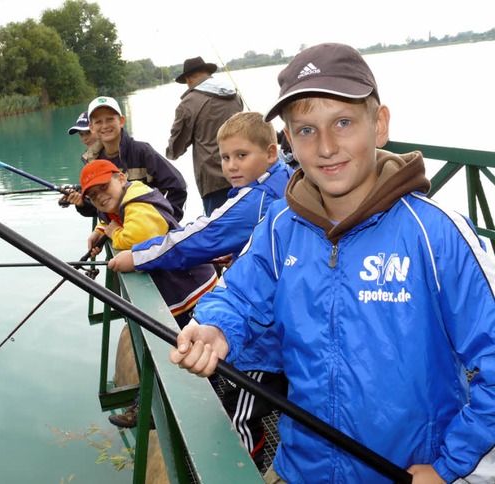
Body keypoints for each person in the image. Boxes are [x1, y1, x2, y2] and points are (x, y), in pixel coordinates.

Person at [169, 42, 495, 484]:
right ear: (286, 140)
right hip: (300, 467)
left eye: (343, 123)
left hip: (408, 473)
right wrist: (215, 326)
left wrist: (448, 466)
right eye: (305, 130)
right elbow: (239, 296)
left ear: (379, 125)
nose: (325, 147)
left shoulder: (437, 234)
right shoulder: (279, 228)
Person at [107, 111, 294, 463]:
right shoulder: (284, 180)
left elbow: (201, 236)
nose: (231, 166)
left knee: (236, 415)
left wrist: (138, 256)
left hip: (268, 342)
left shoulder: (254, 200)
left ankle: (244, 466)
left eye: (242, 155)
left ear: (271, 153)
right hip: (285, 329)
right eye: (224, 157)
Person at [80, 159, 218, 428]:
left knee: (191, 346)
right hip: (176, 287)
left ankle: (201, 407)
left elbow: (137, 236)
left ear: (121, 178)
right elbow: (109, 216)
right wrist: (100, 231)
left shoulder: (140, 201)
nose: (100, 197)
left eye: (103, 187)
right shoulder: (123, 198)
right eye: (93, 196)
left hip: (189, 287)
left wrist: (112, 232)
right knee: (180, 346)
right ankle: (160, 404)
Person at [87, 96, 188, 222]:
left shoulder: (142, 151)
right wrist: (82, 206)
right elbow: (96, 206)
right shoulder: (93, 161)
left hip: (149, 232)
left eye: (110, 119)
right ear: (91, 127)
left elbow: (177, 185)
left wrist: (166, 221)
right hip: (118, 235)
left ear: (121, 121)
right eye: (98, 122)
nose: (105, 126)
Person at [167, 56, 244, 216]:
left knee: (217, 232)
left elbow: (175, 150)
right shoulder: (234, 94)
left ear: (188, 79)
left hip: (213, 183)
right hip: (245, 173)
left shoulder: (188, 103)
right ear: (208, 73)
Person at [59, 110, 101, 217]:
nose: (84, 138)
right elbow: (97, 210)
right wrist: (80, 202)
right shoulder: (90, 159)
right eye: (81, 134)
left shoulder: (114, 155)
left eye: (88, 132)